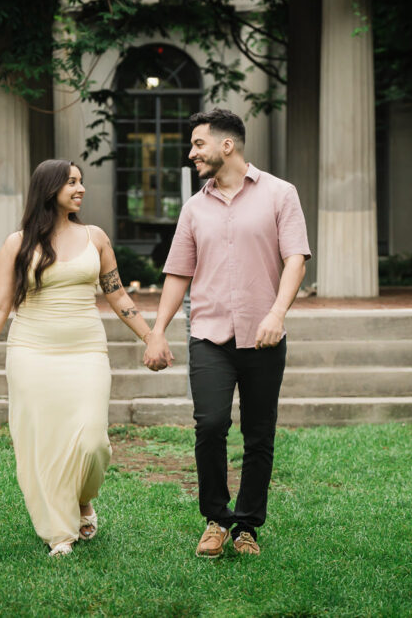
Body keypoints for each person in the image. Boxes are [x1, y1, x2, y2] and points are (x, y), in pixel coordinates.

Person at [143, 108, 310, 558]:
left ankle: (248, 526)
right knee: (211, 425)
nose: (191, 153)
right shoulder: (195, 207)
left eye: (199, 144)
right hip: (209, 335)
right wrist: (156, 331)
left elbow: (295, 257)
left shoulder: (280, 194)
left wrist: (276, 314)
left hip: (264, 336)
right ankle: (216, 519)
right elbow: (178, 273)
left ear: (226, 145)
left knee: (259, 435)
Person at [0, 159, 152, 557]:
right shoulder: (17, 244)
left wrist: (151, 337)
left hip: (86, 352)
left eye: (81, 181)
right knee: (43, 444)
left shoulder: (96, 237)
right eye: (71, 182)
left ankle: (85, 497)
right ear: (50, 189)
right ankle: (59, 534)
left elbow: (117, 295)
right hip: (31, 352)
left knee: (93, 441)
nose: (81, 188)